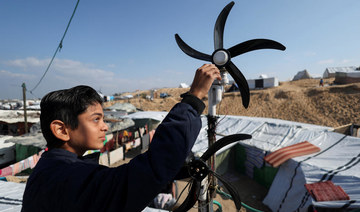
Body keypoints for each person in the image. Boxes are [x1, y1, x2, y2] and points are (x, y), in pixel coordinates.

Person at [21, 64, 221, 212]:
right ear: (61, 130)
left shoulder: (50, 170)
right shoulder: (68, 176)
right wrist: (194, 98)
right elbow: (145, 173)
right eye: (96, 119)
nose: (105, 126)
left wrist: (175, 170)